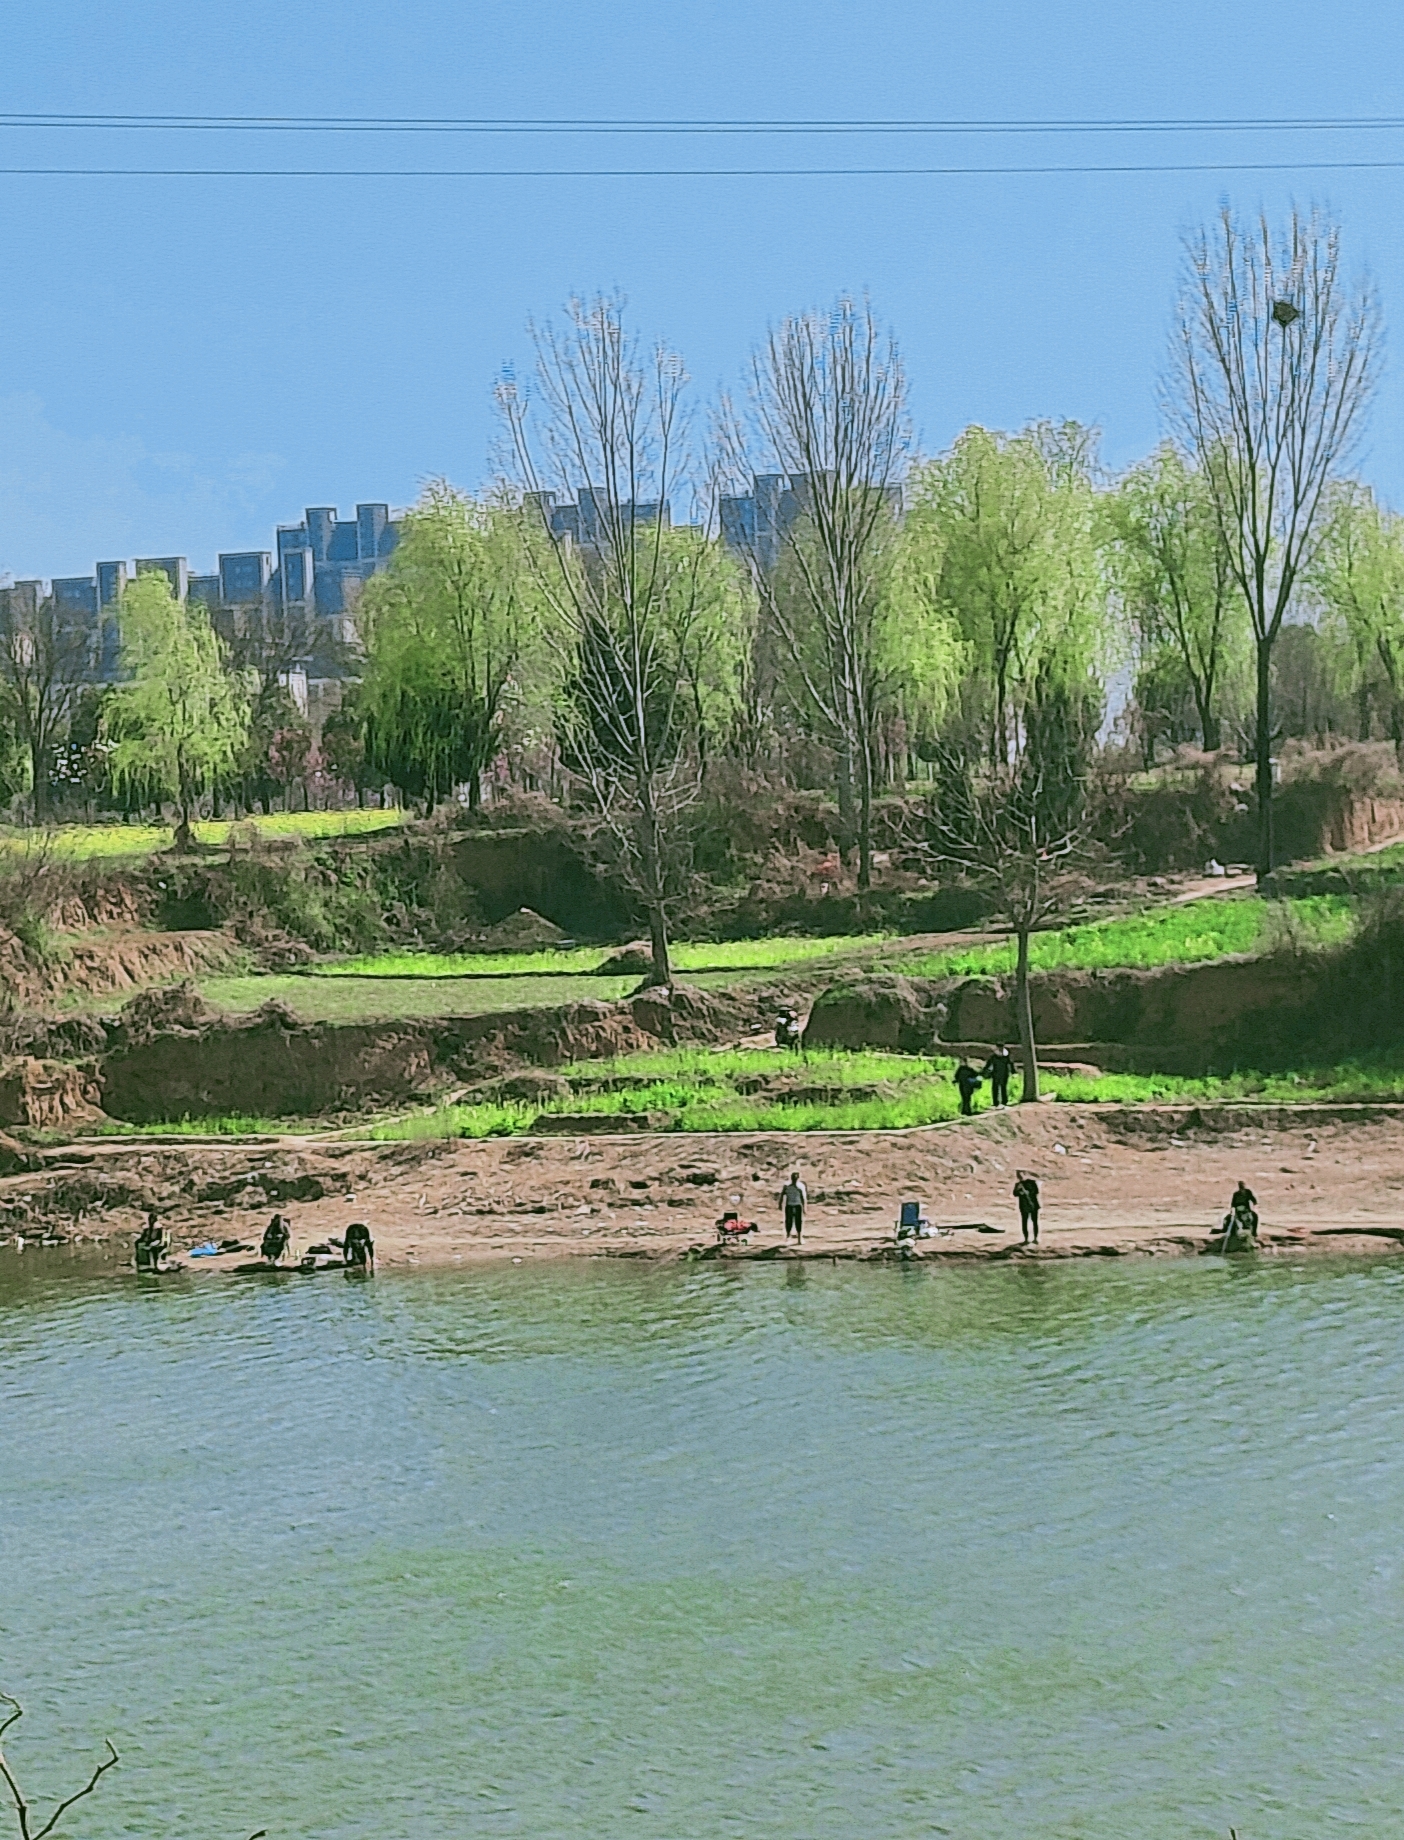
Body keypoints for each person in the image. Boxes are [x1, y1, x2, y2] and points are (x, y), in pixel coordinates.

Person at [779, 1171, 807, 1243]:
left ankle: (799, 1238)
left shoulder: (801, 1186)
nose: (795, 1180)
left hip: (798, 1205)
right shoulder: (787, 1186)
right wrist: (780, 1203)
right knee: (789, 1221)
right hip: (789, 1205)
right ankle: (788, 1236)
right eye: (793, 1178)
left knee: (798, 1222)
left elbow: (803, 1198)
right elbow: (782, 1194)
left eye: (796, 1178)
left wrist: (804, 1208)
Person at [1013, 1171, 1041, 1245]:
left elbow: (1036, 1191)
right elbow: (1015, 1194)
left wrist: (1028, 1192)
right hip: (1024, 1206)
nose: (1020, 1177)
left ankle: (1035, 1238)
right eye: (1018, 1176)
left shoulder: (1032, 1182)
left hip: (1033, 1205)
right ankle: (1026, 1239)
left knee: (1034, 1222)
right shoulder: (1018, 1185)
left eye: (1021, 1175)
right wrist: (1019, 1191)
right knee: (1024, 1223)